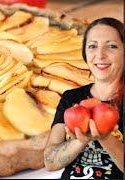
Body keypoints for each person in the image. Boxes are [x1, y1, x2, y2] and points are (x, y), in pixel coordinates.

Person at [44, 17, 124, 179]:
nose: (100, 55)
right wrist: (81, 140)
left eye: (111, 46)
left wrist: (106, 137)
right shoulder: (71, 98)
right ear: (85, 53)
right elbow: (50, 162)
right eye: (92, 46)